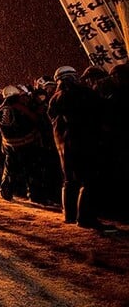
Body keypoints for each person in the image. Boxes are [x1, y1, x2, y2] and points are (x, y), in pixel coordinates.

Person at [47, 66, 116, 232]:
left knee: (70, 180)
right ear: (72, 77)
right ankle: (86, 218)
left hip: (63, 146)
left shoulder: (54, 98)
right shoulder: (82, 93)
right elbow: (102, 112)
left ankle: (69, 215)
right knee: (89, 181)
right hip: (82, 143)